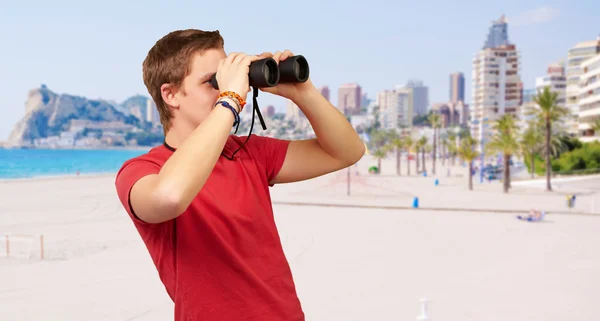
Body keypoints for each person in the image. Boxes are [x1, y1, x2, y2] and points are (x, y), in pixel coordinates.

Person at [114, 29, 365, 321]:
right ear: (170, 95)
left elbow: (347, 152)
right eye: (213, 82)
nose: (225, 89)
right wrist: (231, 98)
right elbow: (170, 197)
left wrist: (303, 93)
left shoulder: (248, 152)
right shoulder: (143, 171)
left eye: (229, 77)